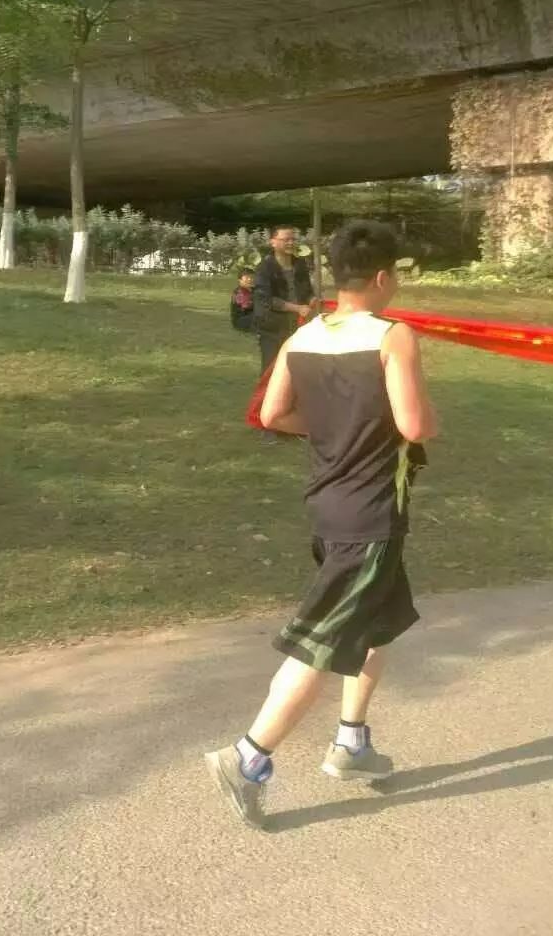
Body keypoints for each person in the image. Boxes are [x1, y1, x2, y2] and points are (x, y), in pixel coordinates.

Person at [204, 220, 437, 830]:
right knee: (321, 644)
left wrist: (336, 427)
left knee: (379, 626)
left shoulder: (303, 336)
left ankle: (351, 743)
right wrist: (401, 421)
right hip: (368, 516)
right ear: (383, 276)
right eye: (395, 275)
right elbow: (415, 427)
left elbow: (273, 413)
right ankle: (247, 758)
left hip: (333, 505)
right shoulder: (394, 336)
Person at [253, 225, 314, 373]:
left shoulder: (300, 265)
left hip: (298, 326)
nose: (291, 243)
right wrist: (298, 308)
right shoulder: (264, 268)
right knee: (272, 370)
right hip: (273, 329)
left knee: (298, 369)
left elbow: (307, 291)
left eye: (293, 239)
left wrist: (312, 299)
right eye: (286, 239)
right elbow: (267, 300)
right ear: (273, 242)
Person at [229, 268, 257, 334]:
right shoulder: (239, 292)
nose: (250, 279)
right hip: (241, 321)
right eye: (247, 277)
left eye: (251, 277)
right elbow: (247, 306)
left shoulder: (254, 290)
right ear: (240, 280)